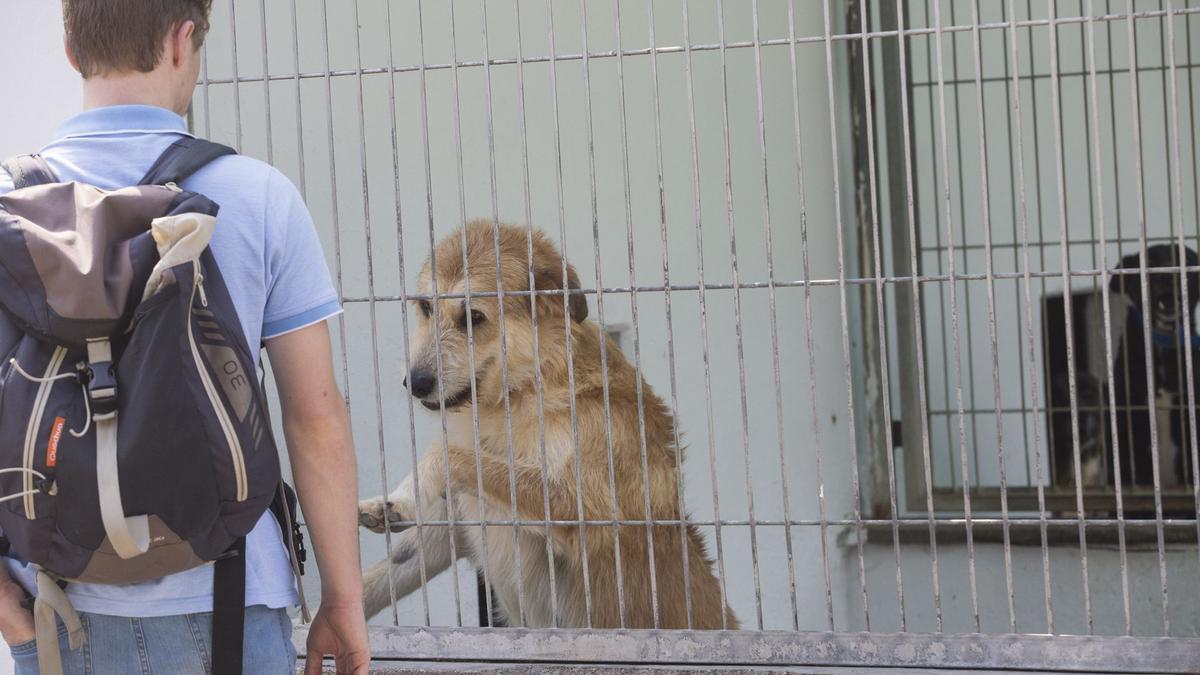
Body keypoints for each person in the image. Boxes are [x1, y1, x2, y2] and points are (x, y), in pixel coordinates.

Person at [0, 1, 370, 673]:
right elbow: (315, 416)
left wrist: (6, 609)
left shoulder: (10, 211)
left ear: (69, 49)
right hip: (228, 599)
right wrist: (343, 598)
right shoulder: (258, 196)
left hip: (57, 615)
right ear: (182, 40)